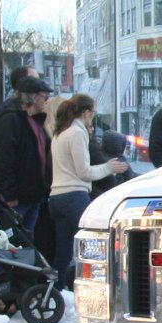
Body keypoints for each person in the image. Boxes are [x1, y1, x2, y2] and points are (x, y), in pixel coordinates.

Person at [48, 94, 128, 285]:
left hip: (56, 197)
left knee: (63, 252)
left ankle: (55, 291)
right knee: (94, 245)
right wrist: (109, 168)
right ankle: (98, 287)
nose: (92, 117)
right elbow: (83, 172)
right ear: (85, 113)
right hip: (74, 196)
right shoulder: (77, 132)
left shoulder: (60, 132)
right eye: (92, 113)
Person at [0, 70, 54, 237]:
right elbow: (3, 157)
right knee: (12, 240)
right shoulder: (10, 118)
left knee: (26, 239)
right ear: (32, 98)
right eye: (44, 97)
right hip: (18, 197)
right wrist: (9, 193)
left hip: (33, 195)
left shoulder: (34, 119)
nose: (47, 102)